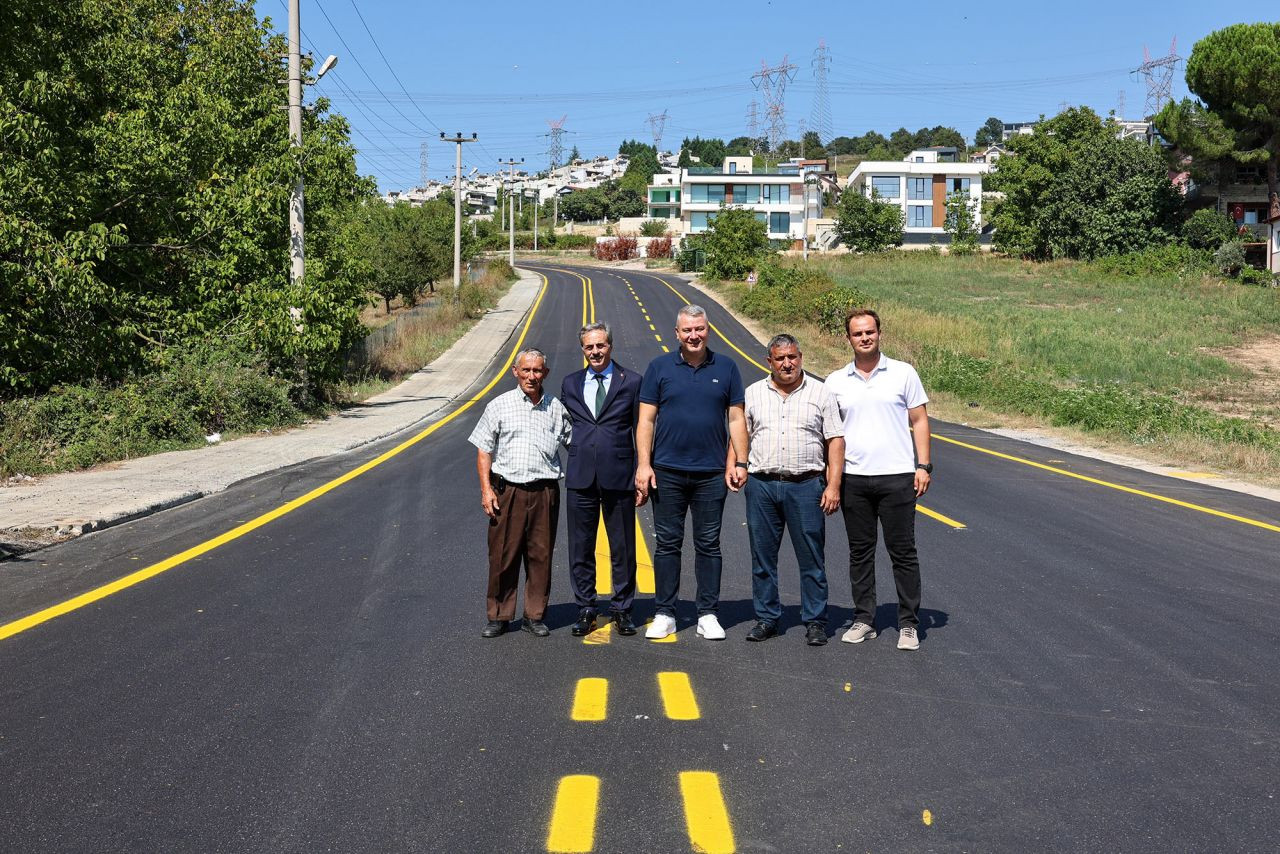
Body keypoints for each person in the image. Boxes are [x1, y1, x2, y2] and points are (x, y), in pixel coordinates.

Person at [635, 305, 748, 640]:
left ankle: (708, 614)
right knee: (667, 544)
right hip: (667, 472)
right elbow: (646, 420)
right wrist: (644, 464)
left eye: (699, 329)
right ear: (677, 333)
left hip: (711, 474)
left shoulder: (727, 367)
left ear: (707, 330)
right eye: (687, 331)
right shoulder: (659, 368)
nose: (694, 336)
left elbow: (737, 419)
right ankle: (665, 612)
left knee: (708, 544)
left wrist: (740, 461)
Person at [825, 309, 931, 651]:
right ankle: (864, 619)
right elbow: (829, 432)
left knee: (902, 551)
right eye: (858, 333)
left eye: (869, 331)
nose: (864, 338)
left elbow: (920, 419)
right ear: (849, 339)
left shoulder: (903, 373)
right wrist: (832, 479)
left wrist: (924, 465)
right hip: (854, 478)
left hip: (897, 476)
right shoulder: (836, 381)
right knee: (860, 552)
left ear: (880, 333)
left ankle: (908, 623)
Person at [732, 334, 844, 646]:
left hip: (806, 486)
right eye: (780, 358)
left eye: (792, 357)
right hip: (762, 485)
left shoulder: (821, 393)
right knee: (762, 558)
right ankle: (767, 618)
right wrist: (736, 464)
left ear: (801, 357)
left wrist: (833, 485)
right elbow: (741, 433)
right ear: (769, 361)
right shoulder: (753, 393)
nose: (787, 363)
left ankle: (815, 621)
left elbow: (835, 440)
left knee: (811, 558)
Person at [469, 348, 572, 638]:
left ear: (545, 374)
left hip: (544, 492)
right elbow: (483, 450)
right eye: (525, 370)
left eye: (537, 370)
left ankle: (534, 615)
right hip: (507, 491)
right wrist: (486, 489)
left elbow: (573, 443)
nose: (531, 376)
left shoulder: (555, 407)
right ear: (515, 371)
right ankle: (499, 616)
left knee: (540, 555)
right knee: (503, 555)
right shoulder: (499, 406)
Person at [560, 322, 642, 637]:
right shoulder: (570, 383)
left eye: (601, 345)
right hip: (580, 477)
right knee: (581, 548)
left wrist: (642, 469)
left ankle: (622, 609)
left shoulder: (631, 381)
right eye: (589, 347)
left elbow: (641, 428)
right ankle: (586, 609)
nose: (595, 351)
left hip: (619, 476)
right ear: (583, 350)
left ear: (610, 346)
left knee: (622, 547)